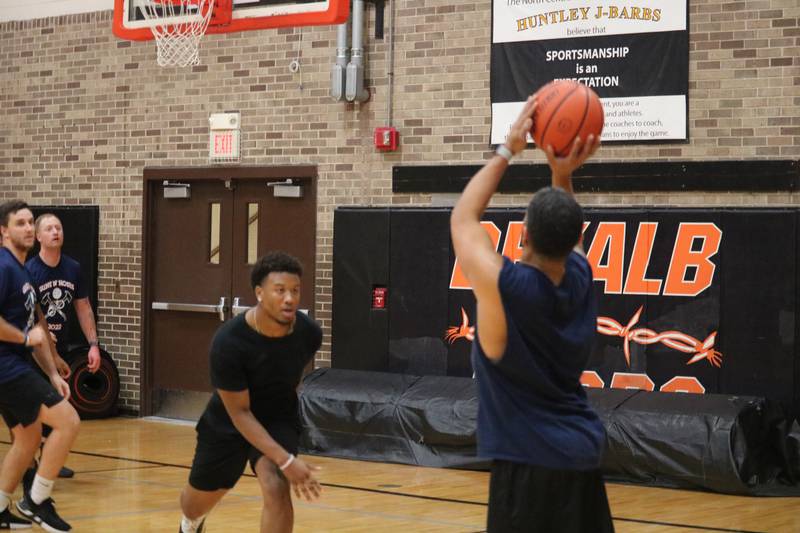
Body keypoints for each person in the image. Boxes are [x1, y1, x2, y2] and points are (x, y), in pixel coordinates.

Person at [450, 96, 614, 532]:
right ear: (574, 237)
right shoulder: (580, 276)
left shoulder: (509, 288)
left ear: (523, 233)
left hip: (528, 466)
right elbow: (570, 233)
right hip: (581, 458)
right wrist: (562, 172)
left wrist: (509, 148)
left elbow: (463, 218)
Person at [179, 251, 323, 533]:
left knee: (276, 485)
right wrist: (288, 460)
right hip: (228, 421)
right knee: (194, 504)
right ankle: (191, 523)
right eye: (280, 291)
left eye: (295, 291)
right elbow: (240, 412)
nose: (290, 299)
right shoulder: (229, 342)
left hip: (277, 418)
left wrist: (280, 455)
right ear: (259, 292)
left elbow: (292, 378)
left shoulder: (309, 333)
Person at [0, 200, 80, 533]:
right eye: (20, 223)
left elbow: (38, 327)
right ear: (4, 231)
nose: (29, 228)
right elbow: (27, 334)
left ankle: (0, 507)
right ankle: (36, 499)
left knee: (28, 438)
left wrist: (50, 372)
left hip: (16, 365)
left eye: (31, 222)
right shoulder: (3, 267)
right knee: (69, 422)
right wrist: (23, 338)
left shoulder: (23, 270)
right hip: (5, 367)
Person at [24, 213, 102, 481]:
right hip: (33, 353)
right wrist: (40, 334)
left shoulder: (73, 268)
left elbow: (82, 306)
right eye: (49, 228)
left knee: (58, 401)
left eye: (58, 227)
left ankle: (49, 459)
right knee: (38, 406)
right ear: (38, 237)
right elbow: (24, 313)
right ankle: (31, 463)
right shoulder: (29, 271)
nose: (55, 231)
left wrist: (94, 344)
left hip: (62, 349)